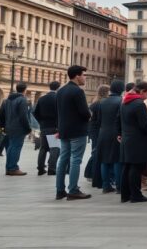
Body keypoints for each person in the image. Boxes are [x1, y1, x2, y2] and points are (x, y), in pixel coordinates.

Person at [55, 65, 92, 201]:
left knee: (63, 159)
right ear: (77, 76)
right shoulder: (78, 91)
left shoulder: (61, 90)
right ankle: (73, 190)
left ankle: (60, 190)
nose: (85, 78)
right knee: (75, 159)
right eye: (84, 75)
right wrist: (90, 116)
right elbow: (84, 112)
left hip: (64, 130)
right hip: (77, 130)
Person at [117, 81, 147, 203]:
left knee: (127, 167)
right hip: (138, 140)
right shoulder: (139, 104)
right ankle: (135, 195)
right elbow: (144, 125)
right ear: (143, 91)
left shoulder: (125, 101)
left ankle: (125, 195)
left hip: (127, 139)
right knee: (136, 167)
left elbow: (118, 119)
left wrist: (119, 133)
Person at [94, 80, 123, 194]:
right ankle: (119, 187)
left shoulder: (102, 102)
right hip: (116, 133)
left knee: (104, 160)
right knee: (117, 160)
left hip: (103, 133)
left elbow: (99, 120)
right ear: (121, 89)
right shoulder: (121, 101)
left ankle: (106, 186)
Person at [0, 82, 31, 176]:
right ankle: (13, 168)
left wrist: (3, 126)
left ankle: (8, 168)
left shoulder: (7, 99)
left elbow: (1, 113)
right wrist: (28, 128)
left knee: (11, 147)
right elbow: (23, 116)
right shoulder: (22, 100)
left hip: (9, 127)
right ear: (25, 90)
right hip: (18, 128)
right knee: (16, 147)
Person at [34, 81, 60, 176]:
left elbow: (35, 113)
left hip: (44, 126)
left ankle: (40, 168)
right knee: (54, 148)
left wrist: (41, 122)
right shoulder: (58, 98)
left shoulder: (41, 99)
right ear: (58, 88)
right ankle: (51, 169)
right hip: (54, 127)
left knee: (43, 148)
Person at [85, 85, 109, 188]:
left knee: (95, 152)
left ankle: (90, 173)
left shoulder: (94, 103)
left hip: (93, 131)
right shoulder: (101, 104)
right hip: (97, 131)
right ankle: (91, 174)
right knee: (96, 153)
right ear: (106, 92)